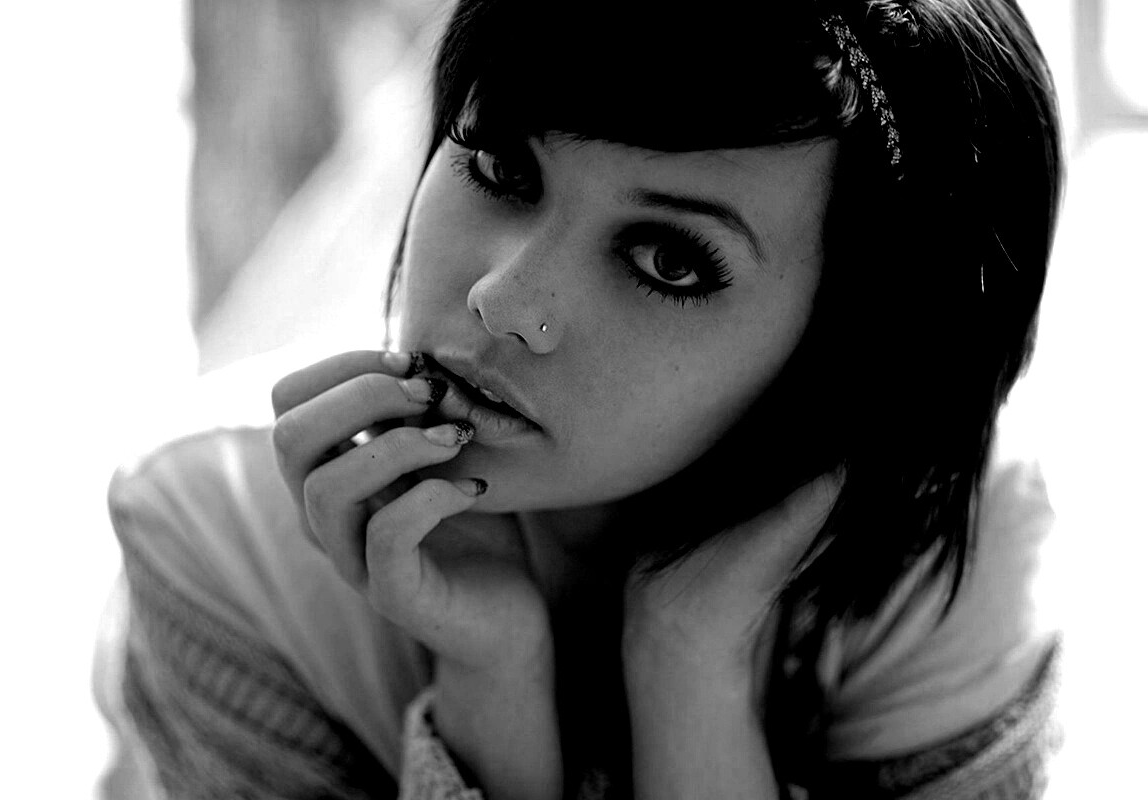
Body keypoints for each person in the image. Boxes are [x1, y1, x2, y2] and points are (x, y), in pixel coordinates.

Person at [94, 1, 1064, 797]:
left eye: (668, 258)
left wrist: (691, 665)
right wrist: (490, 677)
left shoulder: (937, 567)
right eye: (500, 165)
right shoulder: (223, 539)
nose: (504, 300)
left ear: (849, 346)